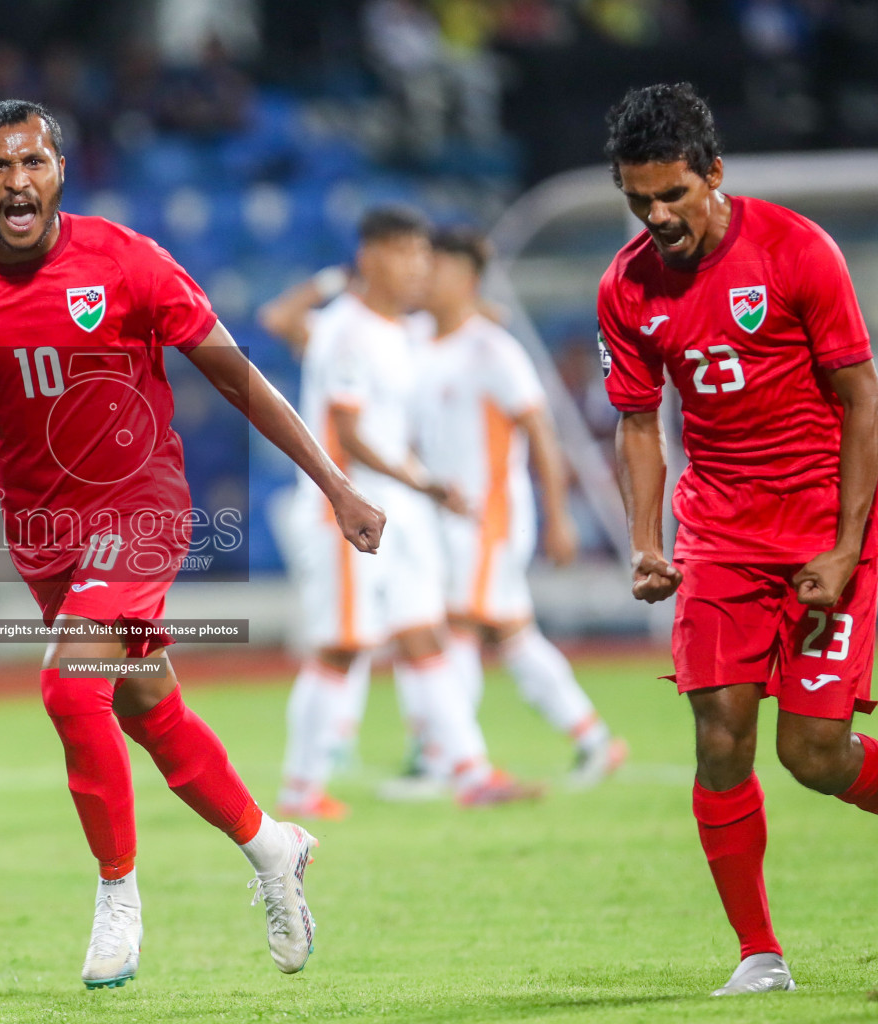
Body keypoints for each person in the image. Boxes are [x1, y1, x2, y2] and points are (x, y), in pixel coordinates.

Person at [0, 100, 387, 990]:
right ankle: (273, 847)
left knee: (70, 685)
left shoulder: (128, 264)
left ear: (60, 171)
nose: (18, 180)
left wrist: (334, 484)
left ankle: (117, 895)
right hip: (42, 532)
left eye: (33, 162)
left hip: (140, 508)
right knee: (145, 708)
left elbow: (237, 376)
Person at [600, 82, 878, 997]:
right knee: (720, 736)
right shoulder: (626, 285)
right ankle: (760, 956)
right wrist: (649, 540)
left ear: (714, 174)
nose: (657, 215)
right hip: (719, 532)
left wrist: (843, 548)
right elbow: (639, 421)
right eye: (639, 199)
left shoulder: (798, 251)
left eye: (673, 193)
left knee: (814, 756)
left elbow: (861, 402)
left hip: (827, 529)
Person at [273, 206, 543, 815]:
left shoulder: (400, 330)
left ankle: (471, 774)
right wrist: (424, 484)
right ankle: (299, 788)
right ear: (372, 257)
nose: (420, 266)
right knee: (342, 647)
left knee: (425, 637)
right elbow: (351, 434)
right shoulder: (345, 329)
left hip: (398, 512)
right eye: (408, 252)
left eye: (425, 255)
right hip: (346, 509)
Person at [413, 228, 628, 787]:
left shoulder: (493, 349)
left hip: (490, 518)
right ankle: (593, 738)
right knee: (511, 636)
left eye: (435, 266)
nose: (424, 276)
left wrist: (558, 515)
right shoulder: (419, 339)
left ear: (465, 277)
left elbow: (541, 430)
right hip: (445, 521)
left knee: (455, 626)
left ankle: (450, 761)